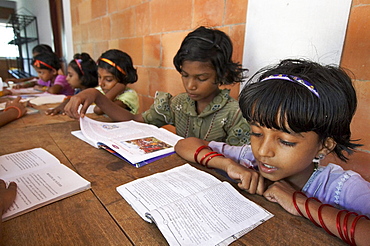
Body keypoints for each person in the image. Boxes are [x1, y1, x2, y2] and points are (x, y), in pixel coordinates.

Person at [174, 59, 370, 245]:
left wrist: (299, 202)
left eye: (285, 141)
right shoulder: (247, 159)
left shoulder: (343, 189)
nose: (263, 151)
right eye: (257, 133)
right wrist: (228, 165)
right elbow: (185, 145)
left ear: (324, 145)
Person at [65, 26, 250, 145]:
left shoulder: (234, 115)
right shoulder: (177, 104)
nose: (190, 85)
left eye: (201, 78)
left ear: (223, 74)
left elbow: (240, 160)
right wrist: (97, 96)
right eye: (185, 75)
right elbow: (133, 120)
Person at [93, 49, 140, 115]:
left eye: (108, 79)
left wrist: (119, 87)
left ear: (123, 79)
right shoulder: (100, 90)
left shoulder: (129, 96)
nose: (100, 83)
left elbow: (98, 110)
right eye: (99, 77)